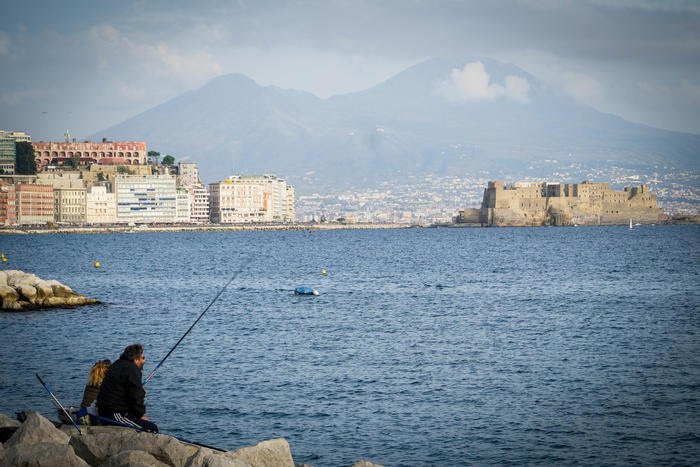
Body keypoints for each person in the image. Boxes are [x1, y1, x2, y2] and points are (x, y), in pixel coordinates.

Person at [97, 343, 158, 433]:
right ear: (136, 359)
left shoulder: (117, 364)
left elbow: (126, 392)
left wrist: (139, 390)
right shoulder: (132, 370)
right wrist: (140, 415)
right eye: (143, 358)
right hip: (114, 414)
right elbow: (136, 397)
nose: (144, 361)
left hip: (104, 410)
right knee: (152, 428)